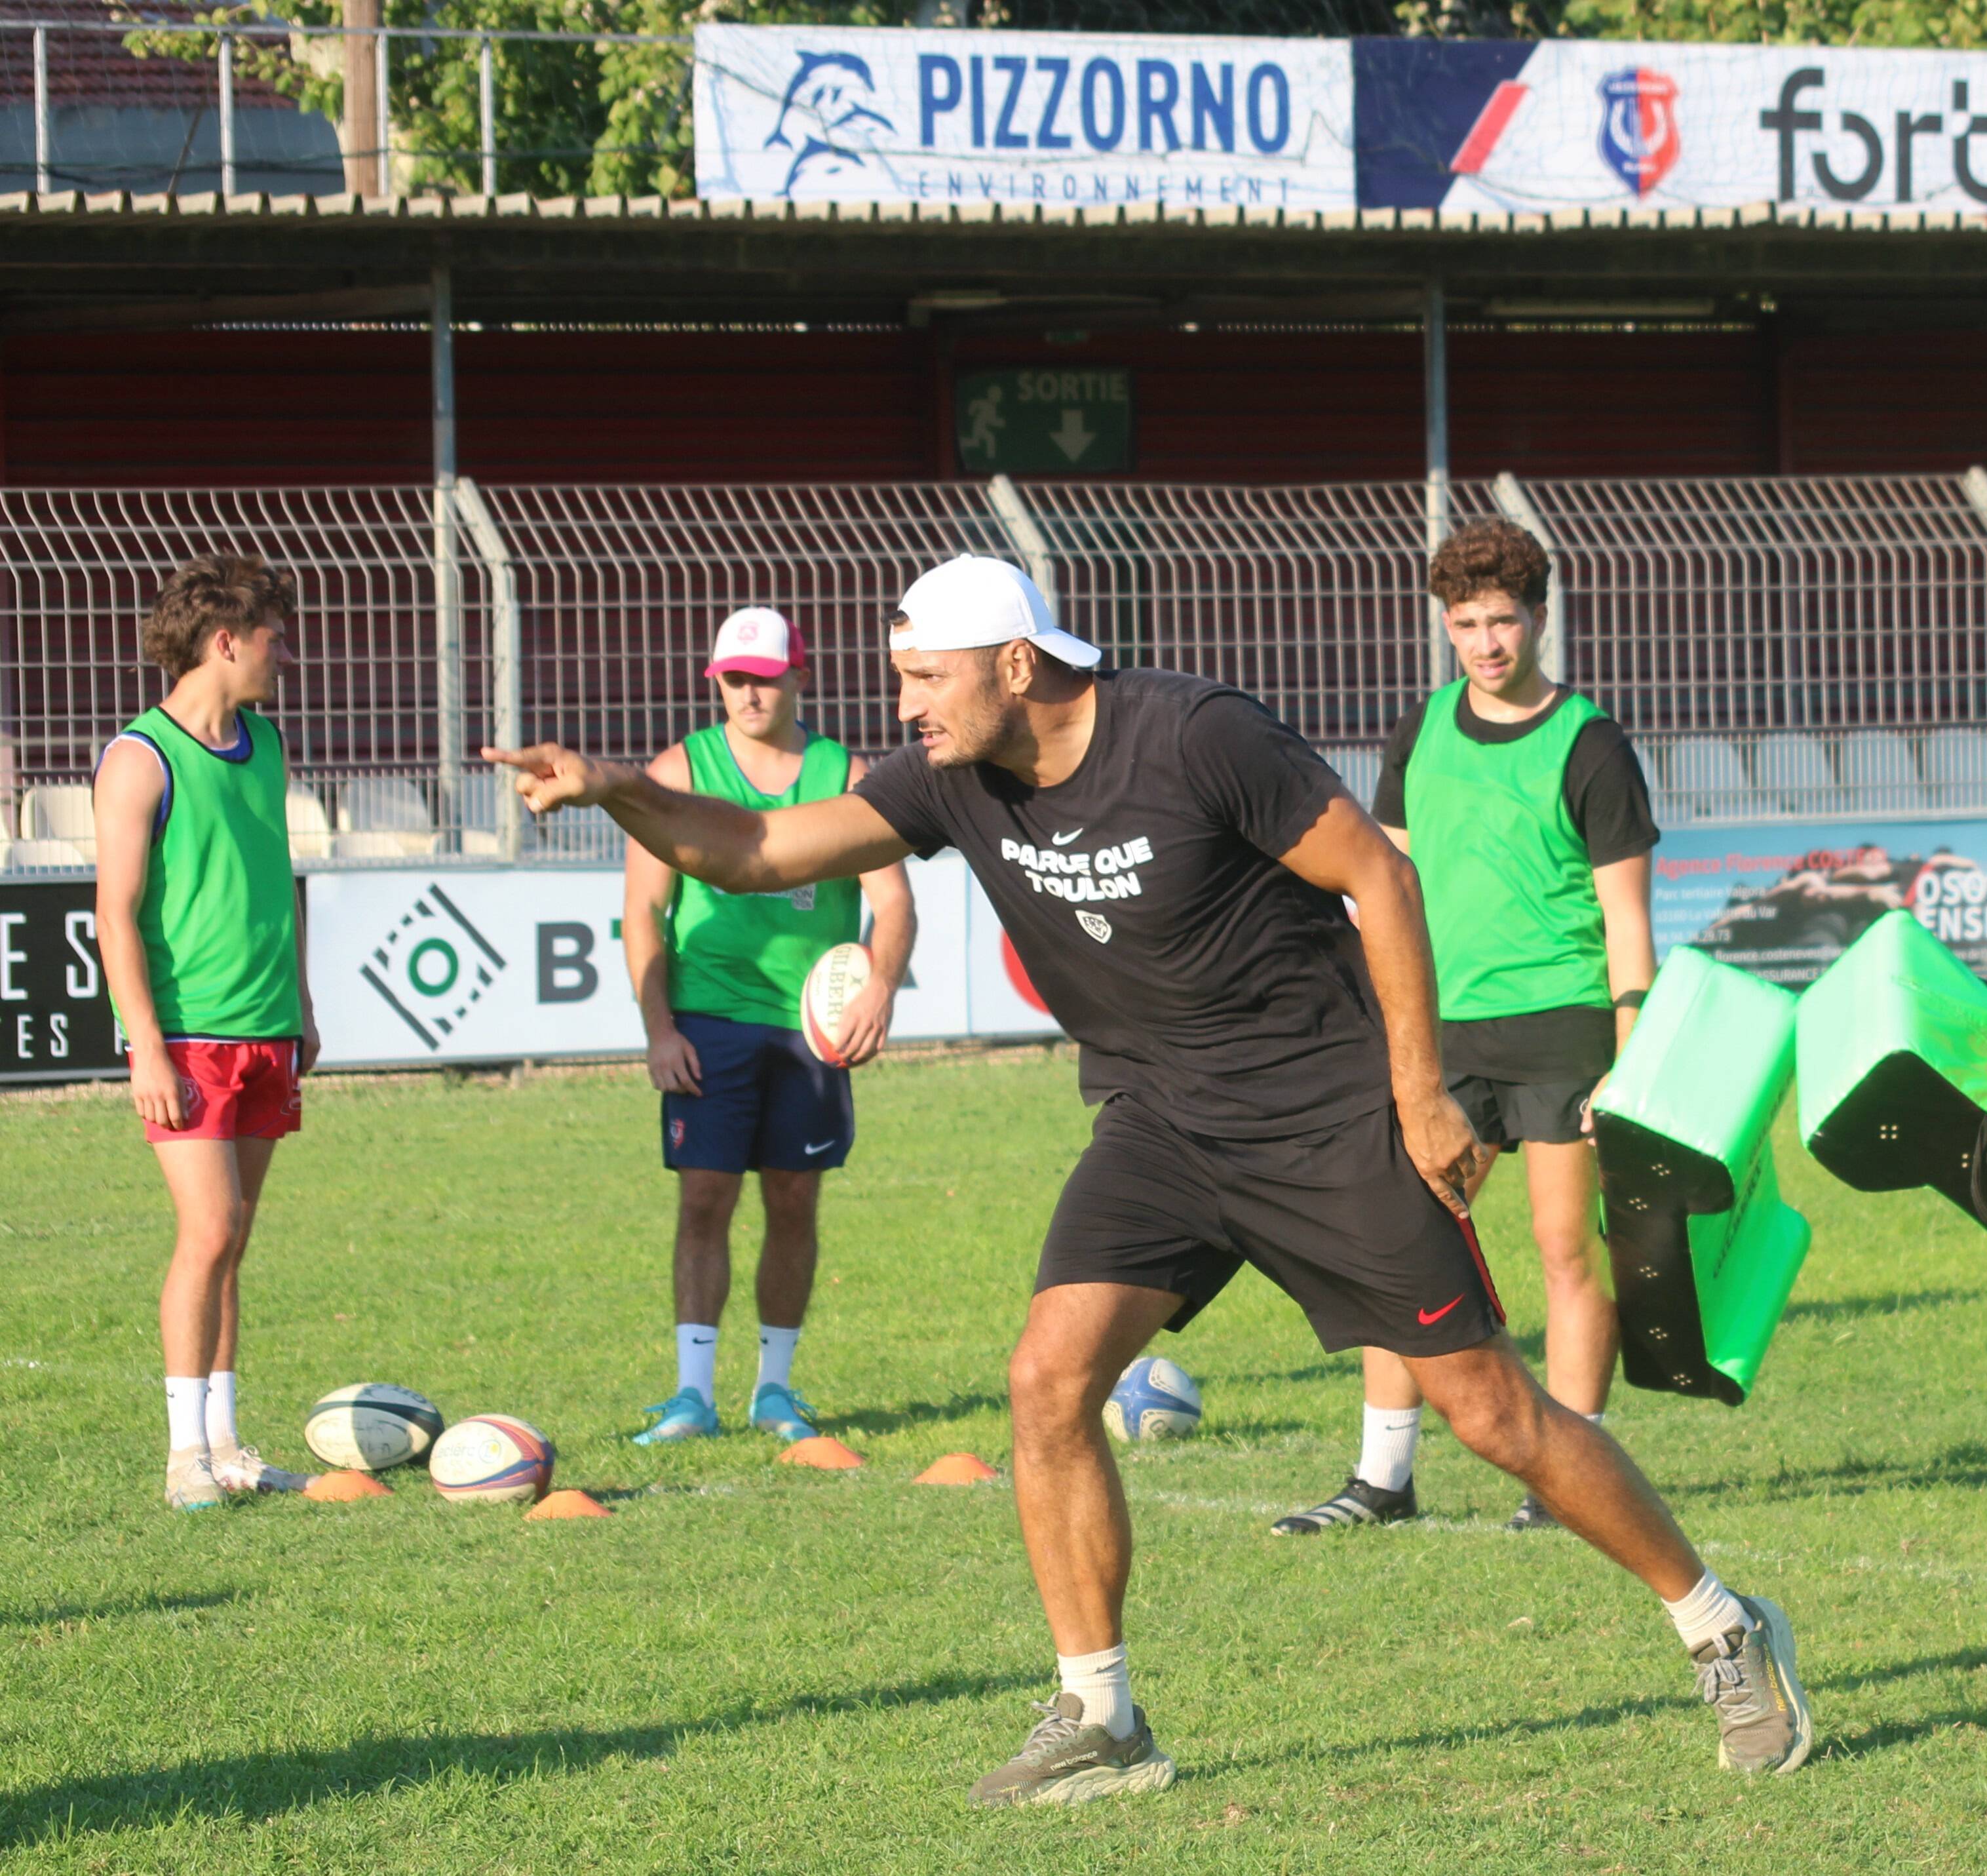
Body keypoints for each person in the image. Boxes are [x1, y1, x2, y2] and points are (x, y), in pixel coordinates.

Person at [487, 555, 1812, 1802]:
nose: (904, 707)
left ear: (1014, 664)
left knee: (1494, 1416)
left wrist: (1418, 1099)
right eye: (901, 680)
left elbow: (1380, 877)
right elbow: (760, 850)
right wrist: (613, 787)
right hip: (1159, 1126)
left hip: (1320, 1117)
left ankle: (1722, 1625)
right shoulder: (949, 775)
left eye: (926, 678)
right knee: (1046, 1378)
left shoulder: (1193, 735)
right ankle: (1101, 1715)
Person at [1272, 519, 1659, 1537]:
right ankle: (1383, 1479)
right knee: (1401, 1241)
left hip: (1567, 1026)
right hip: (1442, 1030)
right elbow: (1383, 891)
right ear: (1446, 625)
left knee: (1566, 1250)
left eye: (1503, 621)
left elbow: (1627, 917)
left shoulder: (1593, 744)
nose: (1486, 643)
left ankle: (1568, 1479)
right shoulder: (1420, 732)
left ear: (1540, 617)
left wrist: (1632, 1058)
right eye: (1466, 623)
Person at [621, 607, 915, 1447]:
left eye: (766, 678)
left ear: (799, 677)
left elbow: (893, 902)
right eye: (735, 680)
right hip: (707, 1020)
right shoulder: (680, 771)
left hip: (810, 1030)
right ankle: (691, 1396)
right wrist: (659, 1030)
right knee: (704, 1198)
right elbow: (642, 911)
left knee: (793, 1199)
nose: (751, 694)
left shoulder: (846, 775)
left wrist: (880, 985)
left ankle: (775, 1391)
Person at [92, 553, 322, 1510]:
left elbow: (277, 879)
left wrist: (302, 1003)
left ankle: (227, 1446)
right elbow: (114, 914)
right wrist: (144, 1044)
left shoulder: (265, 743)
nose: (285, 654)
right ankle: (184, 1454)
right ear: (226, 641)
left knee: (236, 1240)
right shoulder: (140, 757)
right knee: (210, 1229)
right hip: (188, 1035)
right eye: (274, 637)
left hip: (267, 1026)